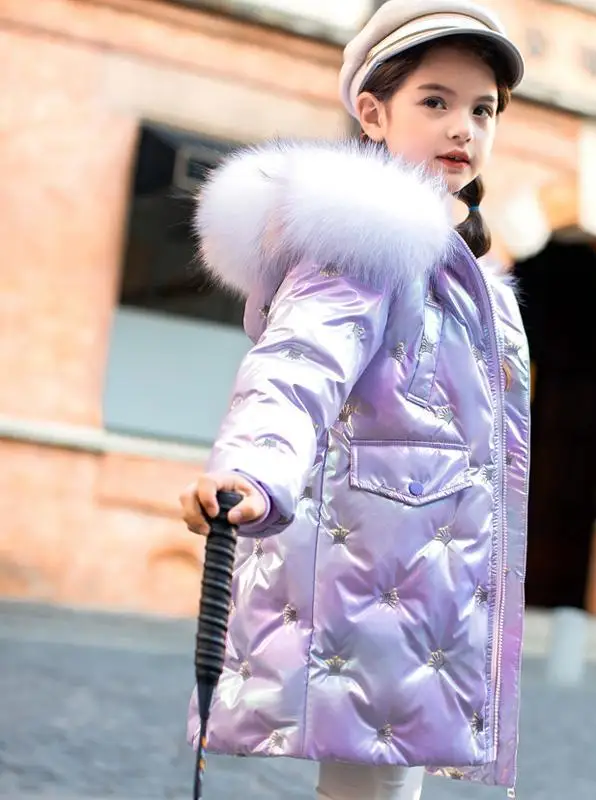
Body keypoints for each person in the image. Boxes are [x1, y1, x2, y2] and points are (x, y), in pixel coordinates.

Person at [179, 1, 530, 797]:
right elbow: (297, 363)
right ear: (373, 113)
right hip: (372, 576)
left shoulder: (463, 275)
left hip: (425, 581)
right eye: (435, 101)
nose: (464, 128)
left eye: (483, 110)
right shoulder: (364, 244)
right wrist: (252, 472)